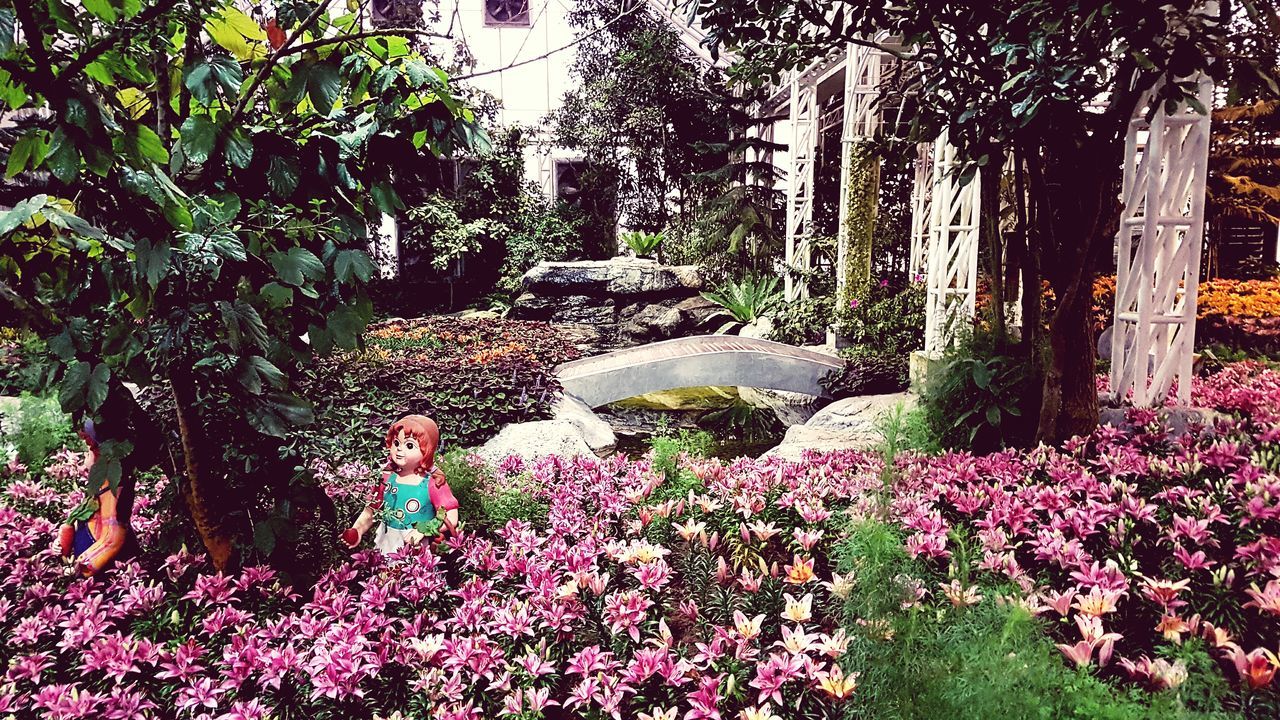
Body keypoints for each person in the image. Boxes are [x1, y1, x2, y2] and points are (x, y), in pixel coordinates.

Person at [341, 414, 459, 554]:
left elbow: (451, 517)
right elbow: (372, 509)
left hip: (416, 547)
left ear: (427, 450)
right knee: (384, 571)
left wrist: (424, 530)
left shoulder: (433, 483)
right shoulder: (385, 478)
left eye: (409, 445)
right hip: (387, 540)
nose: (399, 449)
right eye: (396, 443)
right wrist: (357, 530)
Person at [57, 420, 128, 575]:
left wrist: (82, 566)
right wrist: (63, 541)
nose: (89, 451)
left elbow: (112, 540)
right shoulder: (99, 486)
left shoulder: (113, 489)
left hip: (105, 574)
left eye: (93, 447)